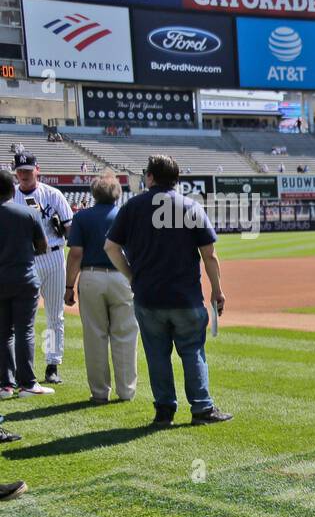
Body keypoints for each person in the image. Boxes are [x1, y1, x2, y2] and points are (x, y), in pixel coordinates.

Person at [103, 154, 232, 427]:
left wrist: (131, 276)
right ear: (176, 179)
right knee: (192, 350)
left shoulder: (132, 206)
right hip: (186, 296)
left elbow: (111, 248)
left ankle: (164, 411)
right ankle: (201, 408)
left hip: (148, 296)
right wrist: (217, 291)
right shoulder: (190, 207)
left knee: (157, 355)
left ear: (150, 177)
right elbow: (209, 254)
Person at [65, 173, 138, 404]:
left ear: (94, 193)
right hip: (122, 277)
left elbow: (76, 254)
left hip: (91, 276)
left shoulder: (82, 217)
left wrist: (69, 286)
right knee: (125, 334)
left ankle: (99, 392)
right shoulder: (126, 216)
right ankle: (126, 391)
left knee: (95, 336)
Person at [12, 152, 73, 385]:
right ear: (15, 172)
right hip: (25, 260)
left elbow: (70, 229)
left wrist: (63, 231)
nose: (24, 175)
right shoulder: (11, 197)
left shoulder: (53, 194)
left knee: (54, 314)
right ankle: (20, 368)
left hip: (54, 258)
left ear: (37, 169)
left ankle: (52, 364)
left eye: (28, 170)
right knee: (22, 317)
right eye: (20, 171)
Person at [0, 168, 54, 400]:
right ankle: (28, 383)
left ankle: (5, 384)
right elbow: (42, 246)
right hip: (24, 276)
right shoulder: (27, 213)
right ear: (12, 188)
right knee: (25, 331)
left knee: (3, 333)